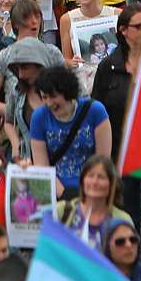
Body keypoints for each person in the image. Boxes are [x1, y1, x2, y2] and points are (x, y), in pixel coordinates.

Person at [28, 64, 112, 195]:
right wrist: (65, 194)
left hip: (93, 189)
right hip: (56, 190)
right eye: (44, 97)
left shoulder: (95, 111)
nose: (49, 103)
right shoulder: (39, 117)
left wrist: (88, 192)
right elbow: (42, 166)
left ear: (67, 92)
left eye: (53, 96)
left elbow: (103, 160)